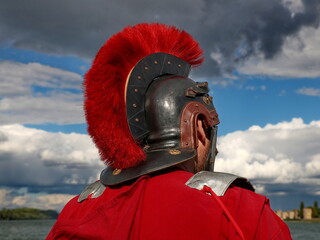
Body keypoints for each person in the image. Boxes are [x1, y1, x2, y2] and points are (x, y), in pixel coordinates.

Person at [46, 23, 292, 240]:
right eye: (210, 129)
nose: (215, 147)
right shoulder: (240, 210)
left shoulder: (77, 209)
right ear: (196, 125)